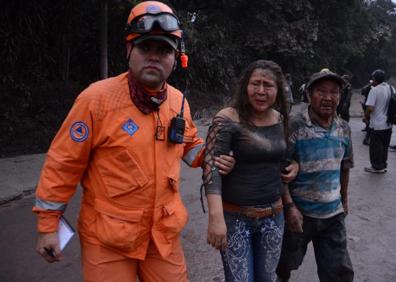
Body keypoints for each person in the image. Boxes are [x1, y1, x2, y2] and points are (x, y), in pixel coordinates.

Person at [32, 2, 235, 281]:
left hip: (162, 236)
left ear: (176, 58)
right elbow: (63, 163)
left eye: (163, 50)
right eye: (145, 48)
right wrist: (47, 226)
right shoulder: (96, 100)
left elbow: (189, 147)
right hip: (108, 241)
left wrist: (215, 154)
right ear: (129, 51)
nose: (154, 57)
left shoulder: (178, 102)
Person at [202, 60, 298, 281]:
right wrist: (216, 218)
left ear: (278, 90)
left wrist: (296, 167)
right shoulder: (226, 118)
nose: (261, 91)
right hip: (236, 218)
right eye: (256, 84)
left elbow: (283, 162)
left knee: (267, 278)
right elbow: (211, 168)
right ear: (245, 85)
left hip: (274, 217)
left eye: (268, 85)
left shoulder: (281, 119)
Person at [276, 69, 354, 282]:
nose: (328, 97)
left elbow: (345, 167)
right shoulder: (295, 125)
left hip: (333, 215)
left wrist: (344, 200)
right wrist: (290, 207)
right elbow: (279, 167)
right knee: (282, 267)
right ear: (309, 95)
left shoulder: (344, 129)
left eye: (334, 92)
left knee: (339, 273)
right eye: (321, 91)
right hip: (299, 215)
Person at [364, 69, 393, 173]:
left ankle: (377, 167)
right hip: (388, 124)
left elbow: (370, 108)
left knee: (376, 147)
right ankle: (383, 165)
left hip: (377, 124)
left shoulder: (374, 90)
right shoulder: (391, 88)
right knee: (384, 146)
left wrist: (365, 117)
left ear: (375, 79)